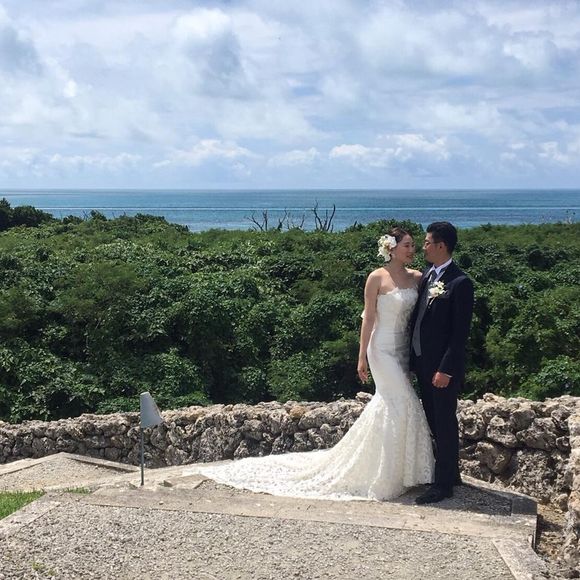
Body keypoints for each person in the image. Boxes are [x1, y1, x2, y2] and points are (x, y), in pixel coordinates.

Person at [182, 227, 434, 501]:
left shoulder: (418, 277)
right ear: (391, 249)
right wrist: (361, 356)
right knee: (401, 399)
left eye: (413, 245)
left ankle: (400, 471)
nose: (412, 250)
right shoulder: (376, 277)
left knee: (394, 404)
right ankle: (388, 474)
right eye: (407, 245)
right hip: (381, 349)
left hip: (403, 350)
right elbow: (369, 318)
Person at [410, 222, 474, 505]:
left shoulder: (460, 283)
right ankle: (451, 473)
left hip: (441, 369)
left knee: (445, 423)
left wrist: (446, 369)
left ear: (441, 246)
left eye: (427, 243)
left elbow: (459, 334)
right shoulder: (427, 275)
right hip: (423, 363)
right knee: (434, 421)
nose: (423, 247)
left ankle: (443, 485)